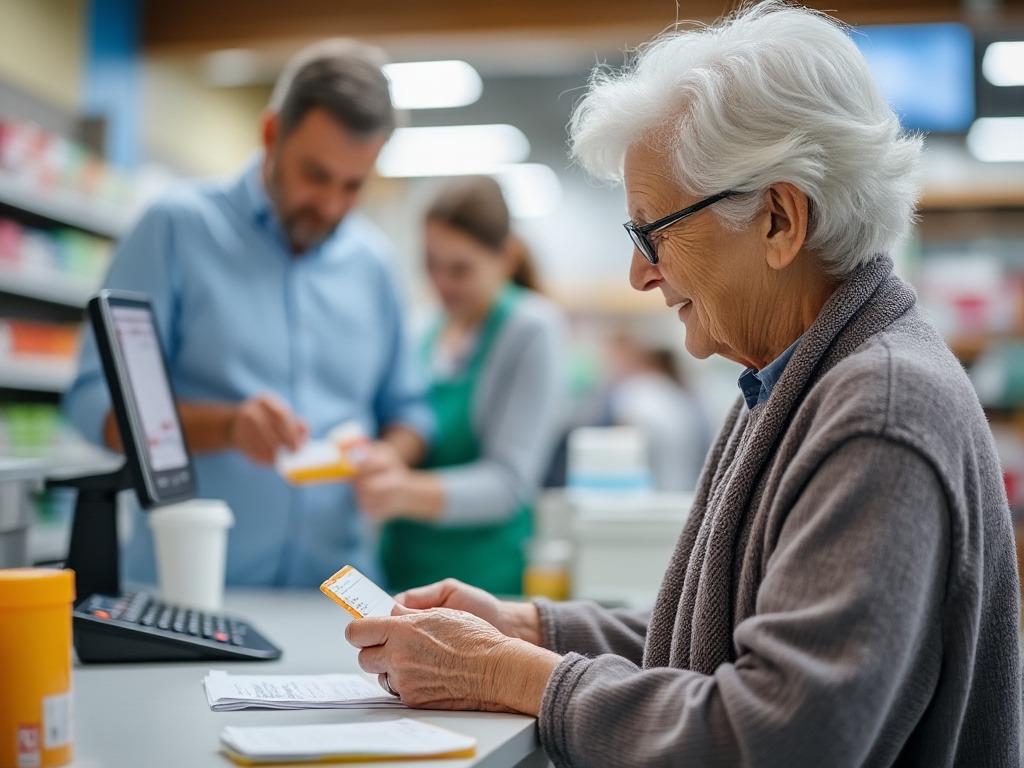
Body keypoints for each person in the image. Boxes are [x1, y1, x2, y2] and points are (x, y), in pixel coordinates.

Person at [344, 4, 1021, 765]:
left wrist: (511, 673)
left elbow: (777, 734)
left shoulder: (880, 412)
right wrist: (525, 629)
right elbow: (711, 644)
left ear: (778, 220)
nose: (639, 273)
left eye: (653, 232)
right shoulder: (796, 375)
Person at [63, 39, 433, 588]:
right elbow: (94, 405)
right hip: (192, 592)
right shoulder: (175, 229)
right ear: (270, 135)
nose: (330, 205)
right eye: (315, 175)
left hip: (341, 598)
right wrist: (229, 426)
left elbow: (409, 412)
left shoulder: (374, 264)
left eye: (352, 186)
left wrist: (389, 458)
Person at [353, 175, 566, 595]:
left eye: (460, 269)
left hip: (484, 581)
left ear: (507, 256)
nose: (441, 284)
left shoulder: (531, 329)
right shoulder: (423, 331)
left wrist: (402, 492)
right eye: (430, 264)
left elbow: (508, 485)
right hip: (402, 570)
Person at [603, 333, 710, 491]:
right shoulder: (683, 396)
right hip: (687, 488)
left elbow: (624, 448)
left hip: (652, 493)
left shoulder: (636, 392)